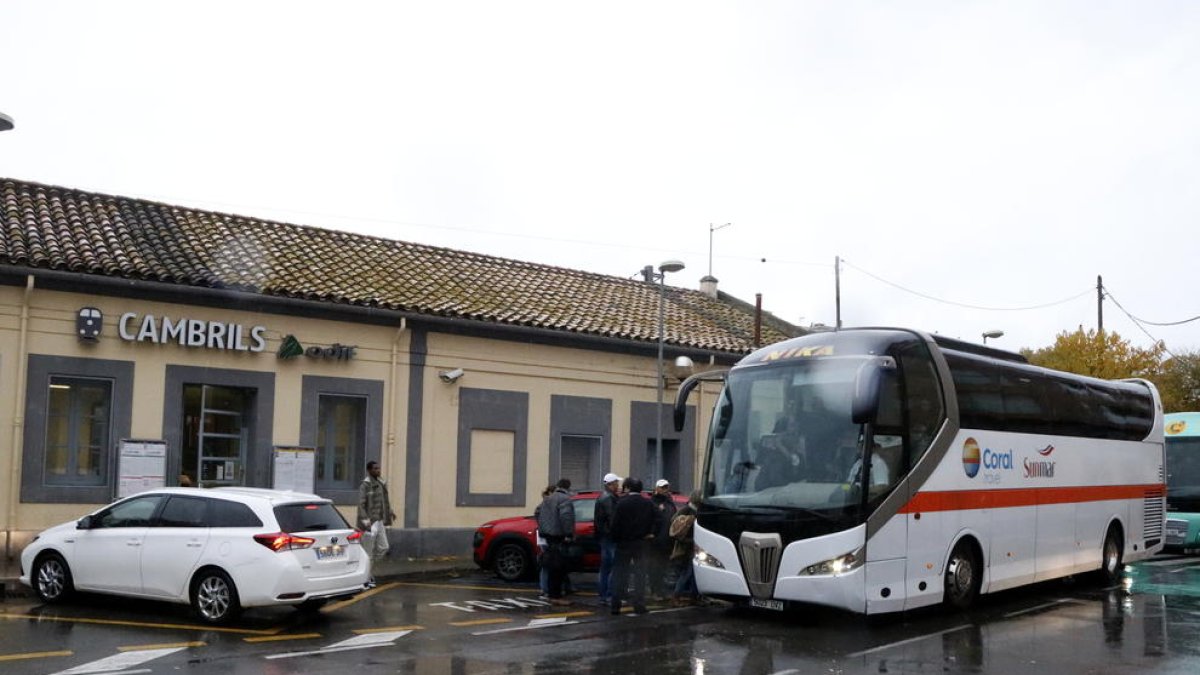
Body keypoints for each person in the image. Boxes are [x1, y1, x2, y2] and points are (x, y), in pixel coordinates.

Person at [609, 477, 656, 615]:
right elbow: (655, 520)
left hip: (623, 542)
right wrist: (650, 533)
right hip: (640, 542)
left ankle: (615, 605)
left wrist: (615, 538)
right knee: (640, 574)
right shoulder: (647, 503)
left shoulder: (621, 503)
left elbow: (615, 524)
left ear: (627, 488)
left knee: (619, 573)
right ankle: (639, 604)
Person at [534, 478, 575, 605]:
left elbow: (538, 513)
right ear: (568, 487)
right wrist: (569, 534)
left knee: (551, 567)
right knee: (559, 567)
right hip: (559, 536)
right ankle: (556, 596)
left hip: (548, 536)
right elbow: (566, 517)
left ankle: (551, 593)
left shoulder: (548, 499)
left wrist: (543, 530)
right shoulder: (565, 499)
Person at [357, 460, 395, 588]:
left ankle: (368, 572)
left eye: (379, 468)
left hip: (379, 521)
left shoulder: (381, 483)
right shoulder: (365, 485)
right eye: (375, 469)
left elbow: (385, 501)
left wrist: (390, 512)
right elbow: (361, 504)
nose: (378, 470)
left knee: (384, 547)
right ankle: (365, 578)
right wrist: (365, 520)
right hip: (369, 523)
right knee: (368, 552)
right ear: (369, 470)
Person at [594, 472, 622, 606]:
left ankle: (603, 595)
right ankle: (610, 595)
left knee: (605, 567)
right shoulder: (609, 499)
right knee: (613, 567)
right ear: (610, 484)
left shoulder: (603, 497)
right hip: (611, 537)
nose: (618, 485)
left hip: (604, 536)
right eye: (616, 483)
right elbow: (613, 520)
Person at [648, 478, 678, 599]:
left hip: (668, 540)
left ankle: (661, 590)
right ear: (657, 489)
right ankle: (654, 590)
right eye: (663, 487)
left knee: (664, 567)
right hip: (656, 541)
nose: (665, 490)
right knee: (655, 567)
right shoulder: (652, 502)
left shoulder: (669, 502)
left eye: (667, 487)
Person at [670, 490, 701, 605]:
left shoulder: (691, 510)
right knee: (687, 573)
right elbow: (674, 525)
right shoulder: (687, 511)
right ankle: (676, 596)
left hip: (691, 546)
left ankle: (694, 596)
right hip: (686, 547)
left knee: (692, 573)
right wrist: (685, 539)